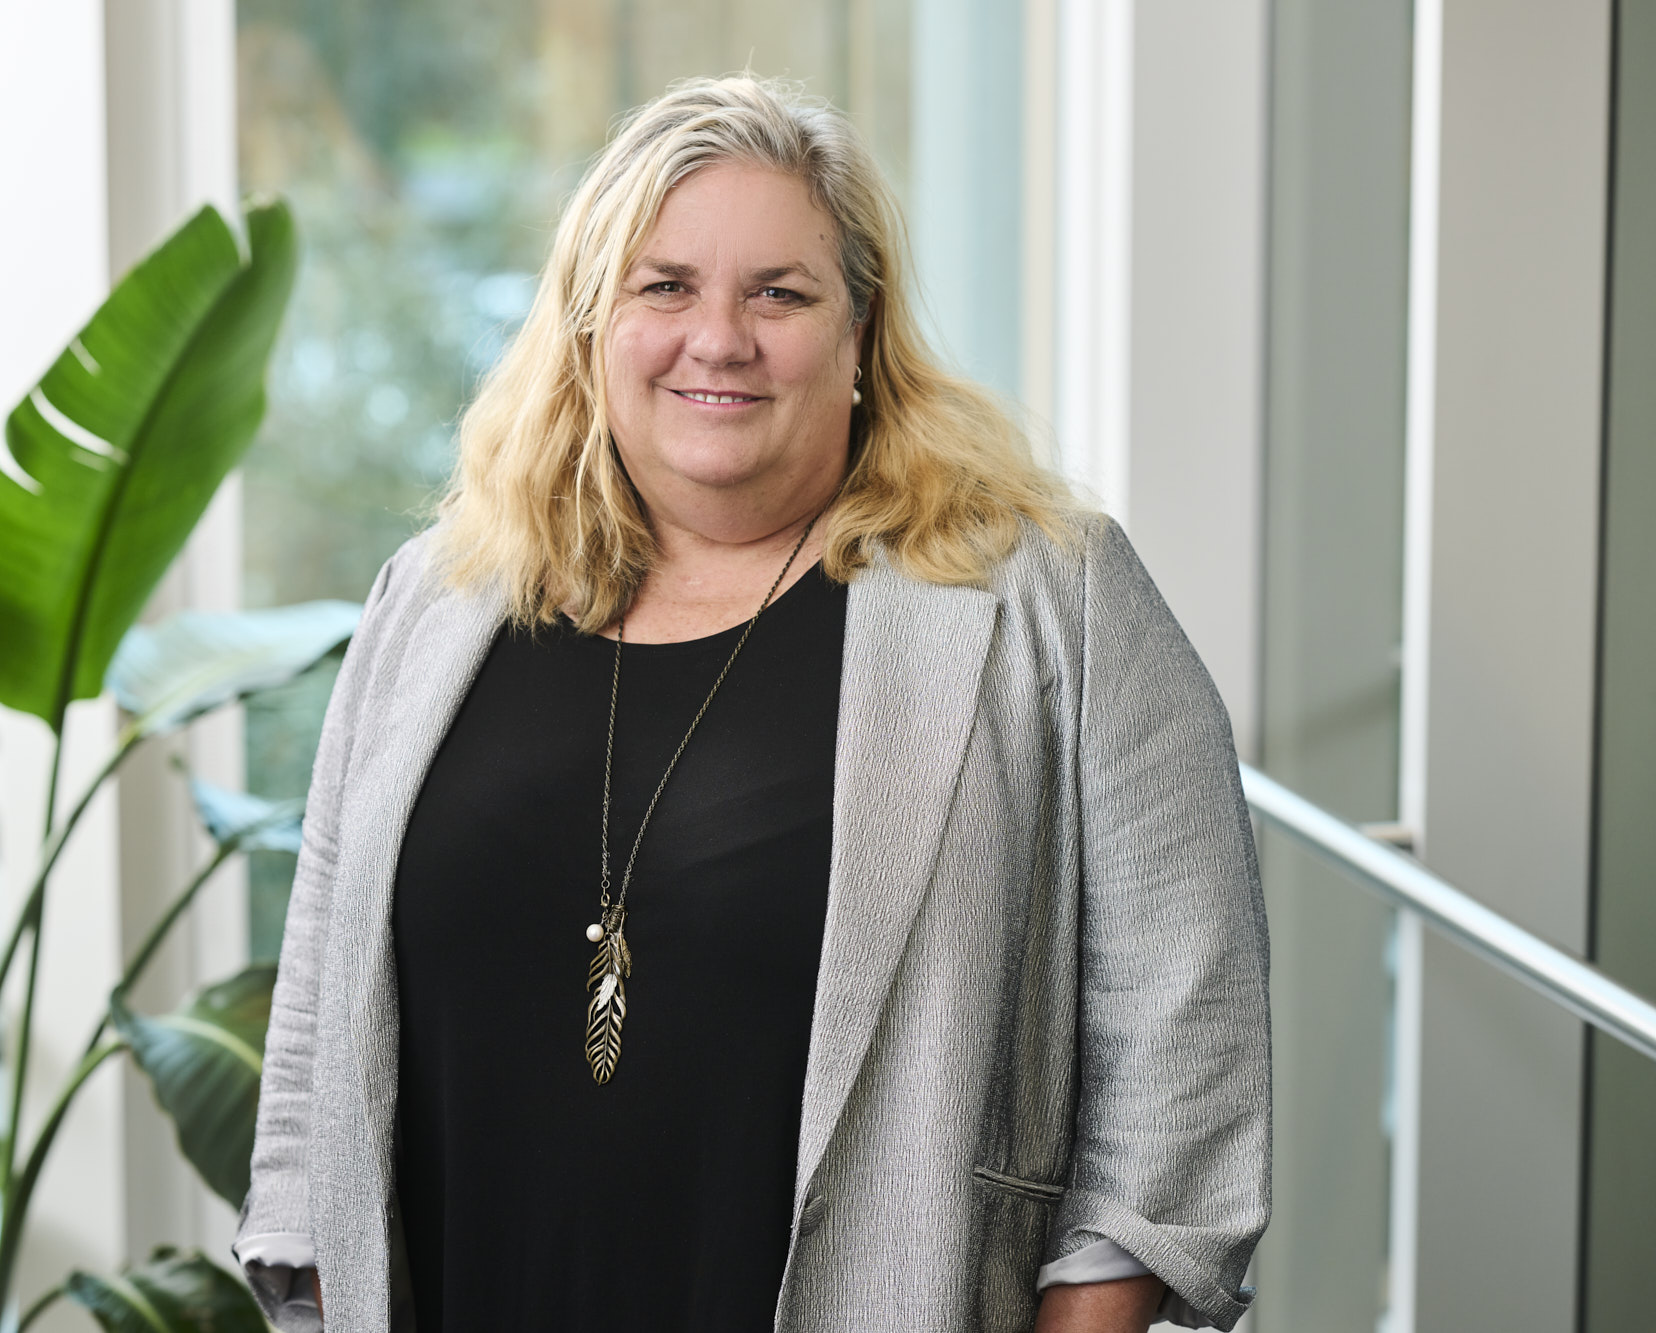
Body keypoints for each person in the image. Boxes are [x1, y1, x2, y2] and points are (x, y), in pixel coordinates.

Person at [234, 75, 1269, 1333]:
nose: (717, 339)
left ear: (858, 334)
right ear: (587, 325)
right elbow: (314, 1035)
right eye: (663, 287)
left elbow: (1184, 1035)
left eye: (778, 294)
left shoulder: (1050, 596)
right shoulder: (437, 599)